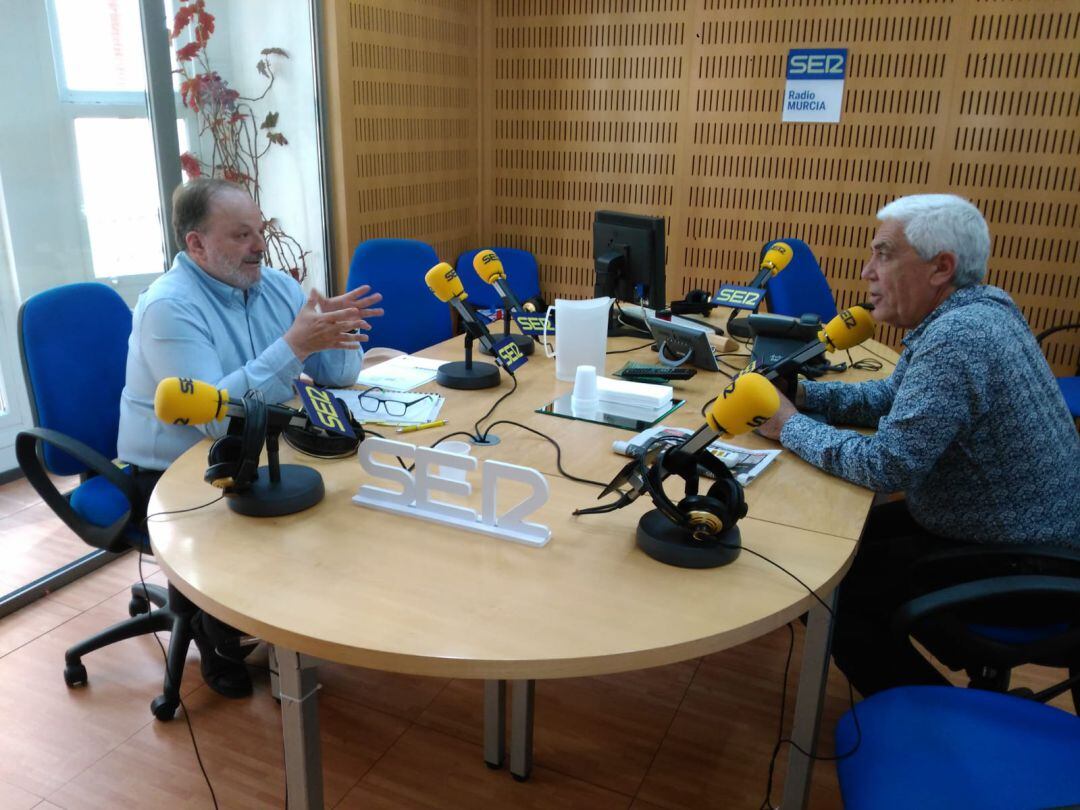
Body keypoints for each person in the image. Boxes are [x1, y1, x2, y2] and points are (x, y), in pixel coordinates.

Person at [755, 193, 1080, 696]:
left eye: (883, 254)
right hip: (1013, 533)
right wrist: (803, 393)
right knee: (836, 550)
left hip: (1026, 561)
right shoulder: (979, 307)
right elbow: (894, 395)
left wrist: (788, 424)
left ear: (940, 267)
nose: (867, 271)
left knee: (824, 588)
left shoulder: (957, 339)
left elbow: (887, 467)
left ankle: (940, 720)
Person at [118, 178, 384, 697]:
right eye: (241, 235)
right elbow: (217, 418)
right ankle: (213, 623)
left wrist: (335, 332)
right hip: (174, 474)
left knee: (348, 498)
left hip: (254, 447)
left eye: (259, 231)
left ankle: (304, 618)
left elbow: (339, 377)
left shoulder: (276, 285)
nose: (259, 245)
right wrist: (294, 344)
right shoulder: (168, 307)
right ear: (196, 244)